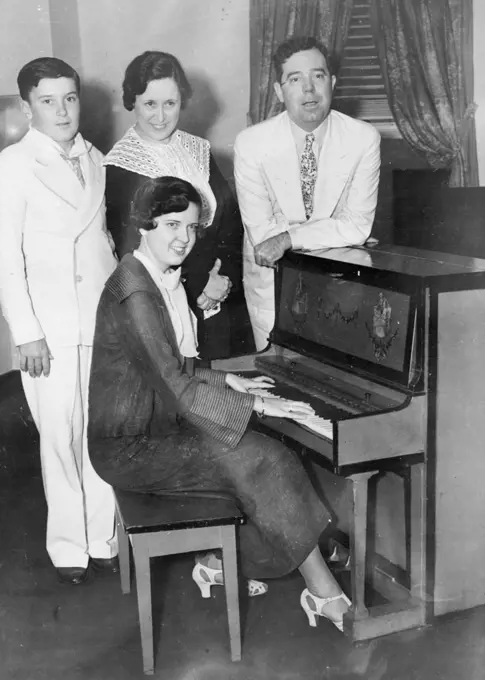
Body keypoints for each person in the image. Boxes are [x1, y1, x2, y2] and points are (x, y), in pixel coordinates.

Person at [88, 176, 352, 630]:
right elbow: (177, 385)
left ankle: (220, 562)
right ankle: (321, 589)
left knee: (255, 458)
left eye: (192, 228)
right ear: (143, 226)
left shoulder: (149, 275)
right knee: (264, 458)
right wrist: (263, 407)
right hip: (130, 446)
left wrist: (231, 379)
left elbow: (173, 369)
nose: (184, 239)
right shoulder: (135, 292)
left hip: (155, 426)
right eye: (172, 225)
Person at [0, 57, 118, 585]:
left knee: (101, 431)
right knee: (58, 436)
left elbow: (101, 242)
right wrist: (27, 333)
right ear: (26, 107)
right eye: (47, 100)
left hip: (100, 322)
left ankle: (102, 537)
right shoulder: (14, 165)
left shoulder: (96, 158)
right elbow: (2, 258)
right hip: (50, 329)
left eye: (69, 98)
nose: (61, 110)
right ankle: (68, 547)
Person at [104, 50, 255, 361]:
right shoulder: (120, 166)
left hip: (221, 295)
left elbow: (229, 220)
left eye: (170, 104)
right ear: (132, 101)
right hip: (170, 302)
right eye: (150, 104)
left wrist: (223, 278)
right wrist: (201, 284)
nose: (160, 116)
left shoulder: (197, 148)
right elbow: (134, 251)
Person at [234, 36, 381, 351]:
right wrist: (335, 233)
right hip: (273, 289)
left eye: (318, 75)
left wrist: (288, 238)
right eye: (295, 79)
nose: (309, 89)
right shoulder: (251, 144)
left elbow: (357, 225)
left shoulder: (364, 139)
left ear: (333, 82)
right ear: (278, 91)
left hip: (339, 289)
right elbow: (262, 236)